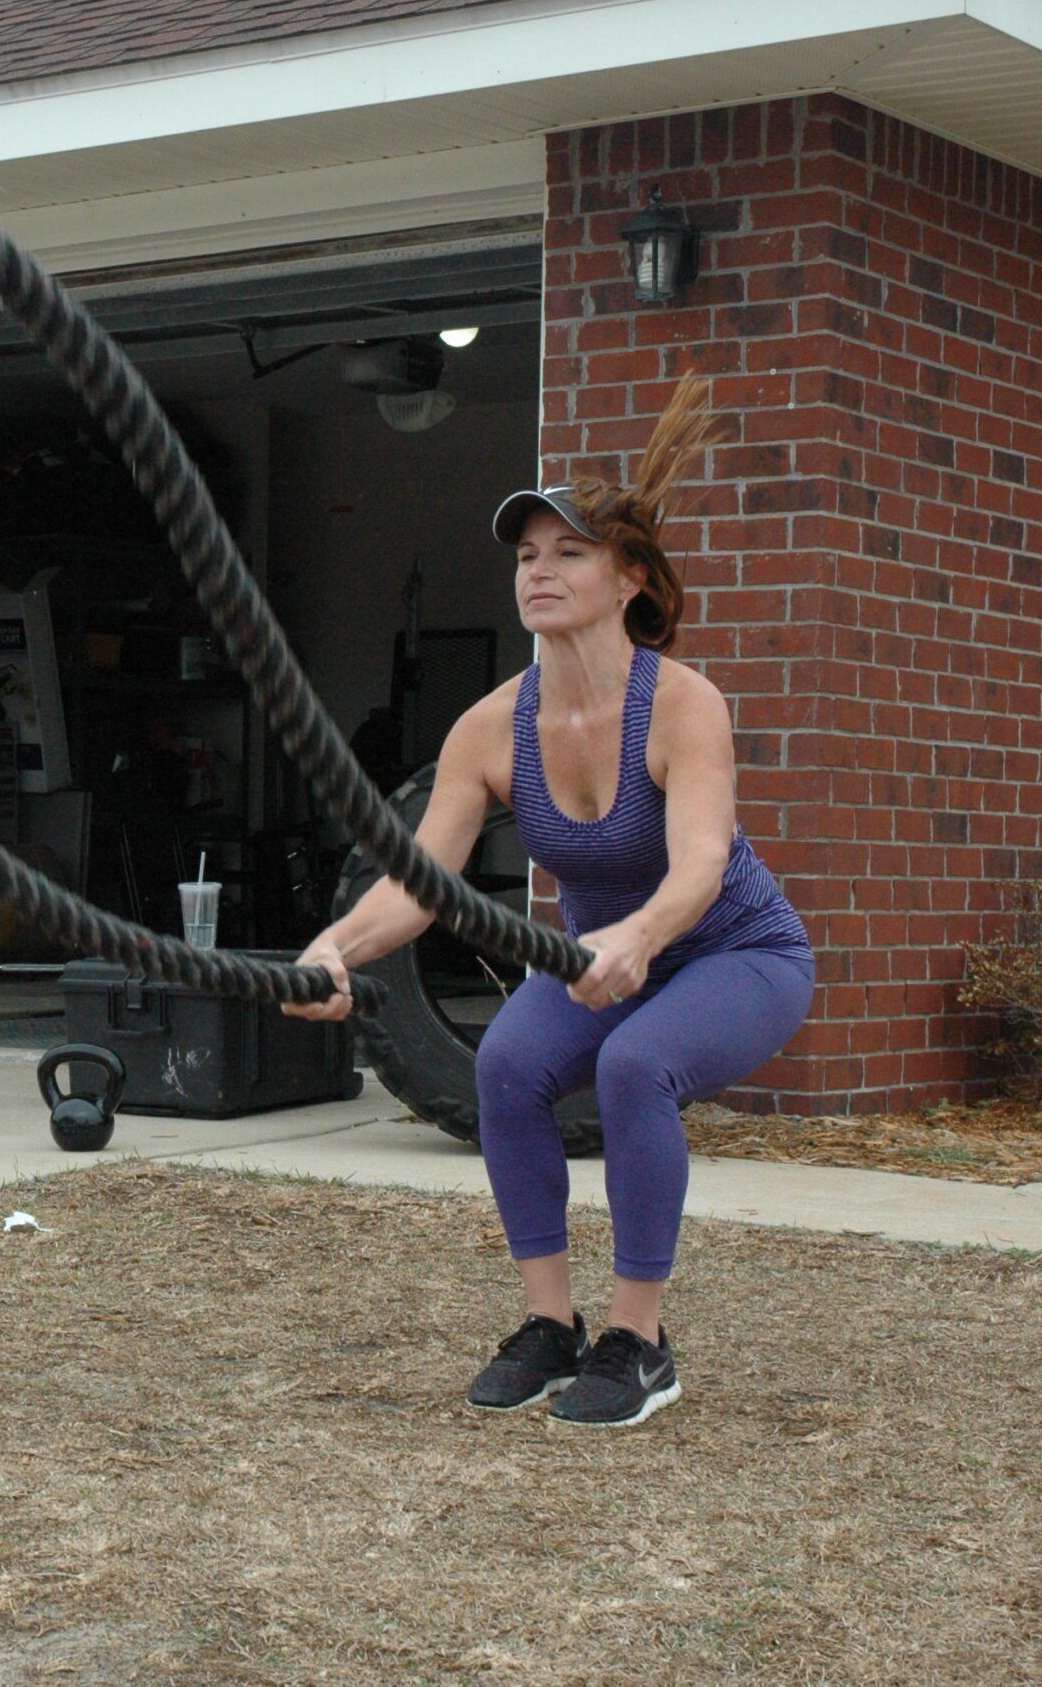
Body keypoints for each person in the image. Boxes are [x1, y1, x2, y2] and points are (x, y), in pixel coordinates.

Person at [285, 375, 815, 1428]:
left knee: (634, 1066)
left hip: (736, 955)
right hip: (601, 963)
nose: (539, 571)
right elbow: (420, 882)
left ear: (629, 579)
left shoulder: (683, 704)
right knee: (506, 1066)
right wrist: (332, 946)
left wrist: (640, 935)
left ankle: (639, 1343)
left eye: (569, 552)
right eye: (527, 555)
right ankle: (549, 1325)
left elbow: (701, 864)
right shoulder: (489, 728)